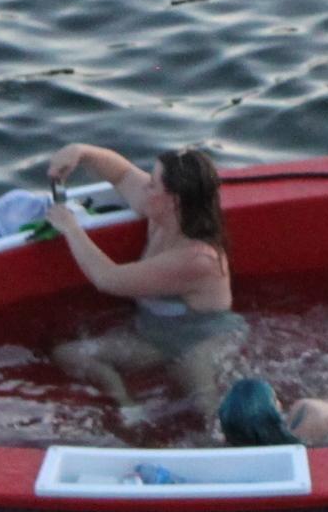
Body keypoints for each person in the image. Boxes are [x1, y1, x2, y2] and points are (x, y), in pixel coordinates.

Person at [45, 143, 243, 420]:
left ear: (173, 200)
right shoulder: (160, 213)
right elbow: (122, 174)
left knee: (205, 412)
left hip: (200, 341)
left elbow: (107, 278)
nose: (145, 187)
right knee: (70, 354)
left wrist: (71, 228)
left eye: (152, 184)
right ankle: (126, 403)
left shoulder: (197, 259)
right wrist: (80, 152)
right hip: (153, 338)